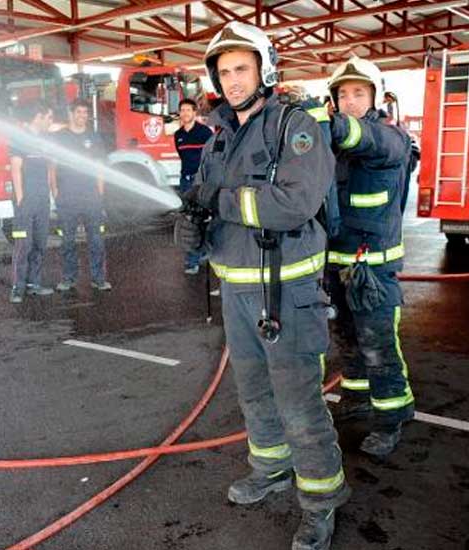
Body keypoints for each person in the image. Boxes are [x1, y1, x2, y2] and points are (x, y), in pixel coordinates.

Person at [175, 22, 349, 550]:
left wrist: (219, 203)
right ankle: (270, 468)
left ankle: (320, 501)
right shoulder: (220, 136)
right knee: (253, 392)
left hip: (287, 292)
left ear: (264, 69)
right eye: (223, 71)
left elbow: (295, 203)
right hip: (237, 293)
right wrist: (193, 233)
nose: (231, 80)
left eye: (240, 69)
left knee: (299, 401)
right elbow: (210, 208)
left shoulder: (294, 126)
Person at [324, 57, 414, 457]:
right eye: (342, 95)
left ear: (376, 98)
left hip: (373, 270)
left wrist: (331, 124)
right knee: (348, 339)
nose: (349, 101)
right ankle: (356, 398)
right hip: (338, 264)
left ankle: (392, 419)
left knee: (379, 346)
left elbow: (364, 138)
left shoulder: (390, 137)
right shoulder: (337, 146)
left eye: (359, 93)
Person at [51, 99, 112, 292]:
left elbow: (100, 167)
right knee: (68, 241)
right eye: (79, 112)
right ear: (71, 113)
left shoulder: (94, 138)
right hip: (67, 198)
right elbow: (52, 167)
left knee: (96, 240)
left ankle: (98, 278)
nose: (83, 116)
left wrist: (99, 193)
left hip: (91, 197)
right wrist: (55, 193)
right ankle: (68, 278)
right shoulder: (60, 137)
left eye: (85, 113)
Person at [7, 102, 56, 303]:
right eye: (49, 118)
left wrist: (52, 195)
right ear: (39, 116)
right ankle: (17, 289)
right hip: (26, 201)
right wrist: (20, 199)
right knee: (23, 245)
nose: (51, 122)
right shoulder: (20, 137)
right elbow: (15, 168)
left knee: (39, 243)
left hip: (42, 200)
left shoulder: (46, 140)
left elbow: (51, 168)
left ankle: (34, 284)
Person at [174, 98, 213, 275]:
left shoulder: (205, 133)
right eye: (182, 110)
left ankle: (202, 254)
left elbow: (212, 157)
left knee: (204, 219)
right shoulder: (178, 135)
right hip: (186, 181)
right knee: (189, 220)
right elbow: (183, 157)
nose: (184, 114)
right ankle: (193, 260)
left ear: (194, 113)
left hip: (201, 181)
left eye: (188, 110)